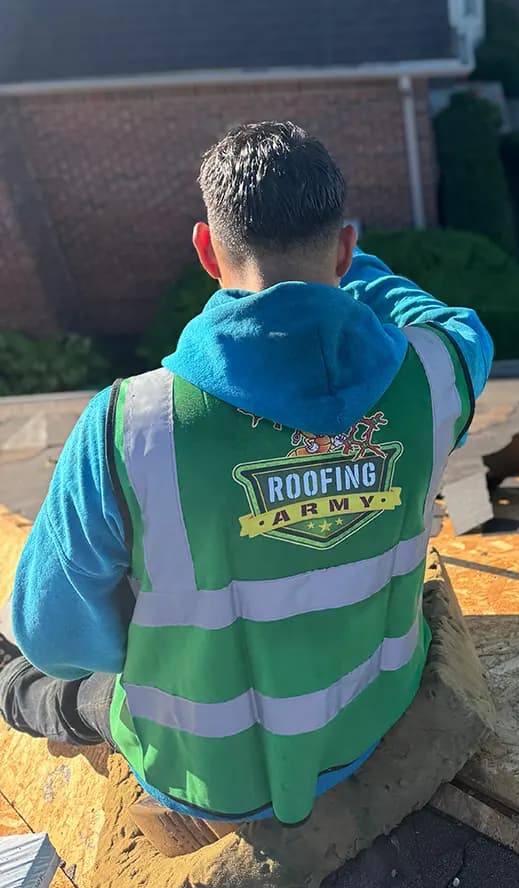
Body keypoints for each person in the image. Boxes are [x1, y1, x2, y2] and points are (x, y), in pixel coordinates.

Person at [0, 121, 493, 825]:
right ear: (346, 248)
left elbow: (55, 638)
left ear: (206, 250)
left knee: (36, 672)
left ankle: (18, 695)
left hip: (200, 772)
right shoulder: (438, 374)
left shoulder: (128, 425)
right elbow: (454, 323)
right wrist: (366, 275)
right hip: (366, 724)